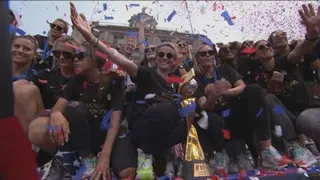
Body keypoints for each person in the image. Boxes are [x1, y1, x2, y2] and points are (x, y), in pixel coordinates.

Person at [46, 42, 136, 179]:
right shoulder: (76, 80)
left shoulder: (115, 80)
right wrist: (57, 113)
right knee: (73, 107)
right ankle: (88, 158)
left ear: (95, 59)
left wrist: (105, 156)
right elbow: (58, 107)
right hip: (87, 135)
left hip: (111, 133)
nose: (75, 59)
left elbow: (115, 119)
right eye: (75, 56)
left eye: (81, 56)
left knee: (127, 173)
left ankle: (108, 162)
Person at [193, 44, 289, 170]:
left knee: (255, 90)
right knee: (206, 116)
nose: (207, 55)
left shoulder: (225, 69)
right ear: (197, 58)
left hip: (236, 116)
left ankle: (267, 150)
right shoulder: (195, 80)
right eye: (203, 53)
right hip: (218, 122)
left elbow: (242, 86)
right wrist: (213, 96)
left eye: (210, 52)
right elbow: (203, 105)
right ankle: (221, 155)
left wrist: (225, 92)